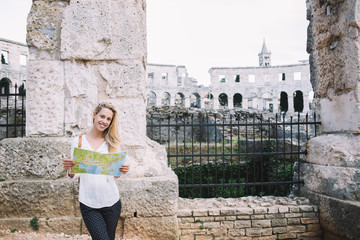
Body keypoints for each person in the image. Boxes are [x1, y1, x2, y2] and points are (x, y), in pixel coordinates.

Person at [63, 102, 129, 240]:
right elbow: (74, 176)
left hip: (111, 202)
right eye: (102, 116)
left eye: (108, 119)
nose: (104, 121)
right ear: (94, 115)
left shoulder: (112, 142)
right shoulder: (79, 142)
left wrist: (122, 170)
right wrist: (70, 169)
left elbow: (115, 175)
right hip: (88, 203)